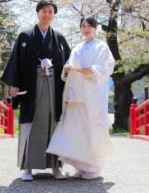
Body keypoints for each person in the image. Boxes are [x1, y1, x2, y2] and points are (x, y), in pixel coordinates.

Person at [1, 0, 72, 181]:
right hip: (31, 87)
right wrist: (14, 85)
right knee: (30, 125)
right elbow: (16, 62)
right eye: (44, 11)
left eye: (51, 12)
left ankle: (56, 167)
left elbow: (69, 61)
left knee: (53, 125)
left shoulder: (59, 38)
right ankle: (27, 167)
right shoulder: (25, 36)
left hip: (54, 88)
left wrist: (64, 67)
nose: (47, 15)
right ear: (37, 12)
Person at [46, 16, 115, 179]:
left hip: (93, 92)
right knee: (75, 127)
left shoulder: (102, 47)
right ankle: (81, 165)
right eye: (83, 26)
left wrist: (93, 69)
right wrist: (68, 68)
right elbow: (69, 65)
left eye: (89, 26)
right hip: (77, 92)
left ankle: (93, 167)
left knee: (92, 126)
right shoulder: (77, 47)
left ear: (95, 28)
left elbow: (108, 66)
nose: (86, 29)